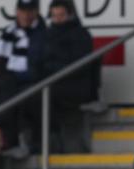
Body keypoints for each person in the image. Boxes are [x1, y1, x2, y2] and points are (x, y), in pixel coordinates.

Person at [41, 0, 97, 153]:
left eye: (61, 15)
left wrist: (52, 66)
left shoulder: (81, 34)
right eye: (54, 16)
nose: (58, 19)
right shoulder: (46, 35)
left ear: (71, 15)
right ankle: (48, 140)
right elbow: (39, 61)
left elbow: (79, 64)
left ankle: (56, 142)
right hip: (51, 84)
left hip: (75, 85)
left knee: (41, 97)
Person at [0, 0, 47, 88]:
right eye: (22, 11)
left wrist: (15, 77)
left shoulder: (44, 34)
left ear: (36, 12)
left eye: (29, 11)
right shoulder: (8, 32)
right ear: (17, 12)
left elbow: (40, 68)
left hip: (32, 86)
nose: (25, 16)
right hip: (7, 83)